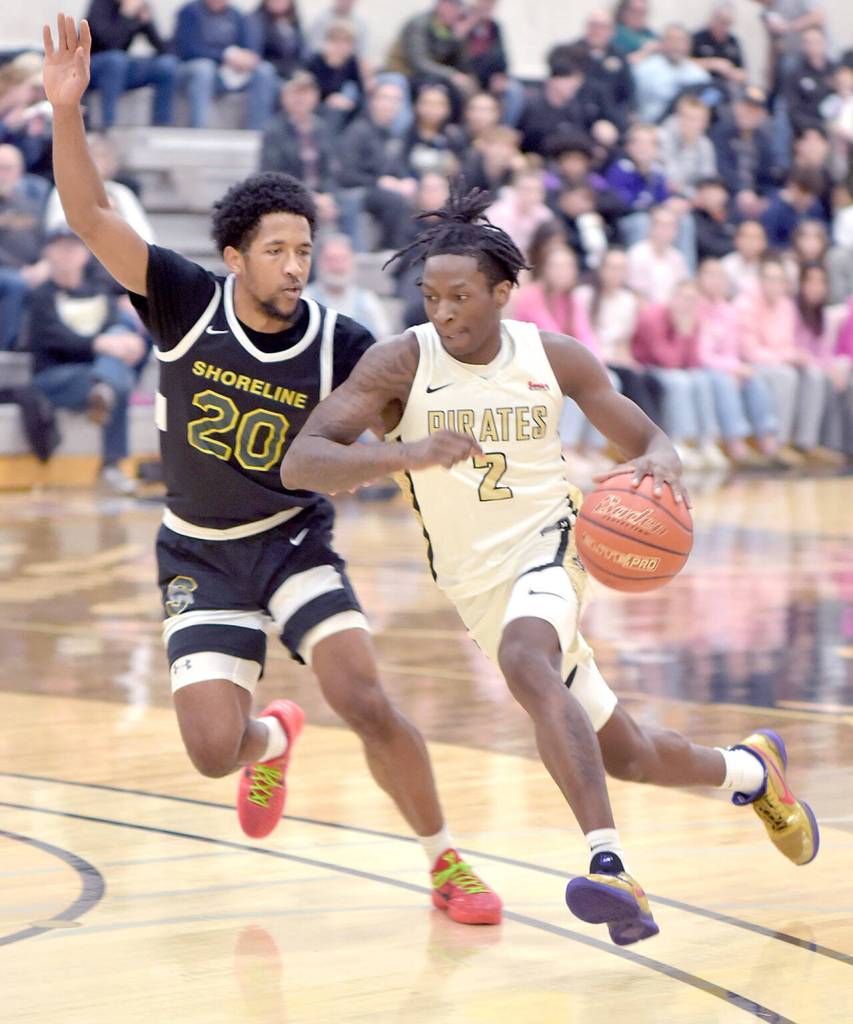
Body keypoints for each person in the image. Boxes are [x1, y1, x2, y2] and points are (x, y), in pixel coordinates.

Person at [42, 15, 501, 926]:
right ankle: (270, 738)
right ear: (233, 256)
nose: (294, 266)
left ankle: (445, 860)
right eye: (276, 251)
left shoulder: (343, 344)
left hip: (291, 544)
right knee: (214, 751)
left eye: (302, 249)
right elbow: (91, 216)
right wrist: (66, 113)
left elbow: (418, 420)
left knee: (363, 695)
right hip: (199, 554)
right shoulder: (181, 300)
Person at [282, 183, 819, 945]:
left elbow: (649, 441)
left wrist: (658, 468)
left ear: (502, 292)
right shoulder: (401, 361)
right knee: (629, 754)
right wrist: (405, 452)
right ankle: (751, 773)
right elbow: (302, 461)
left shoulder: (552, 355)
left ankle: (609, 866)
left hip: (552, 544)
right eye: (430, 295)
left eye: (460, 296)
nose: (442, 312)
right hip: (474, 583)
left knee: (524, 659)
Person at [24, 226, 148, 493]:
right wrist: (98, 343)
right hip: (55, 377)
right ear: (48, 253)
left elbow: (116, 329)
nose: (66, 254)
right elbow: (54, 339)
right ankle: (111, 468)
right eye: (59, 247)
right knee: (117, 379)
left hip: (96, 371)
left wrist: (129, 342)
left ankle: (102, 390)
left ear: (85, 254)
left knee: (116, 369)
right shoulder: (41, 295)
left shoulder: (98, 290)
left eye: (73, 247)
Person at [631, 278, 728, 468]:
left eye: (692, 300)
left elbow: (693, 362)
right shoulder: (652, 316)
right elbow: (666, 360)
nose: (687, 304)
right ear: (672, 297)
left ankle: (706, 441)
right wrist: (683, 334)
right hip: (646, 367)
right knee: (679, 382)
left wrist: (687, 331)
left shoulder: (693, 320)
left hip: (672, 369)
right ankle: (678, 440)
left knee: (702, 379)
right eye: (684, 298)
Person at [695, 257, 781, 464]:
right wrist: (732, 368)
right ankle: (736, 443)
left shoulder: (729, 310)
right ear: (700, 278)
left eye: (720, 276)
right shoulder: (696, 307)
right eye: (710, 275)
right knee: (724, 382)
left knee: (754, 380)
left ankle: (767, 440)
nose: (715, 280)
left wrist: (736, 368)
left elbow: (732, 350)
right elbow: (701, 355)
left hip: (726, 366)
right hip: (702, 367)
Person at [174, 0, 278, 130]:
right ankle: (199, 129)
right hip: (197, 71)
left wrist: (247, 58)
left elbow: (250, 46)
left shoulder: (237, 15)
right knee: (204, 68)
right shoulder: (189, 12)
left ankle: (258, 131)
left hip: (232, 72)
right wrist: (224, 55)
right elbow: (188, 49)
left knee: (264, 70)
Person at [84, 0, 178, 129]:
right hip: (92, 66)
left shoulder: (138, 6)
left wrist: (148, 22)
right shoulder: (100, 5)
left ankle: (162, 126)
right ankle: (109, 126)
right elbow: (109, 43)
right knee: (116, 60)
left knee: (166, 65)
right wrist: (126, 16)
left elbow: (161, 47)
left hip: (121, 66)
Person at [0, 143, 49, 351]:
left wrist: (46, 264)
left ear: (19, 172)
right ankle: (6, 350)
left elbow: (50, 238)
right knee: (16, 283)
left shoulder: (35, 202)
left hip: (32, 267)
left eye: (7, 168)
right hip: (9, 271)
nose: (2, 174)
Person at [552, 10, 635, 131]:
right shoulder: (570, 53)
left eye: (602, 27)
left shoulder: (619, 57)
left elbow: (627, 94)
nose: (597, 31)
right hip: (576, 115)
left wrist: (617, 120)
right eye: (593, 26)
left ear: (611, 31)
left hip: (610, 118)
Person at [306, 233, 392, 338]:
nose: (337, 266)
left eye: (342, 259)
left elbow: (383, 339)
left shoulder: (367, 301)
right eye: (330, 259)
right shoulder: (306, 300)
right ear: (319, 263)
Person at [631, 23, 711, 125]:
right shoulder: (644, 69)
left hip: (687, 132)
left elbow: (708, 103)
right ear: (662, 42)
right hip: (651, 129)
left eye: (681, 41)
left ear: (689, 45)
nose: (676, 45)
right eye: (672, 40)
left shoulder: (699, 75)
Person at [626, 205, 690, 304]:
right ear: (650, 227)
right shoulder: (637, 253)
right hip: (645, 312)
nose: (665, 230)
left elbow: (683, 289)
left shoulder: (677, 257)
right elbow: (635, 293)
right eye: (661, 225)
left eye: (671, 226)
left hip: (672, 311)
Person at [659, 94, 718, 198]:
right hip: (663, 195)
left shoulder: (705, 144)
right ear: (678, 117)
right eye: (687, 117)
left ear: (705, 123)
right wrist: (693, 195)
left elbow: (707, 178)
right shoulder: (662, 137)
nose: (691, 124)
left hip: (690, 198)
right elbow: (670, 180)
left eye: (697, 119)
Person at [691, 1, 747, 94]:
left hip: (727, 87)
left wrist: (731, 72)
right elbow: (685, 63)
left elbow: (743, 73)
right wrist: (713, 64)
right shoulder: (698, 37)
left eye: (728, 23)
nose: (725, 27)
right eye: (722, 22)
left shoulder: (733, 41)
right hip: (701, 85)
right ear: (713, 18)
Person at [247, 0, 306, 82]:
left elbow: (302, 51)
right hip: (270, 72)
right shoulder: (255, 21)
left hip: (292, 71)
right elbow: (256, 55)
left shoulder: (292, 21)